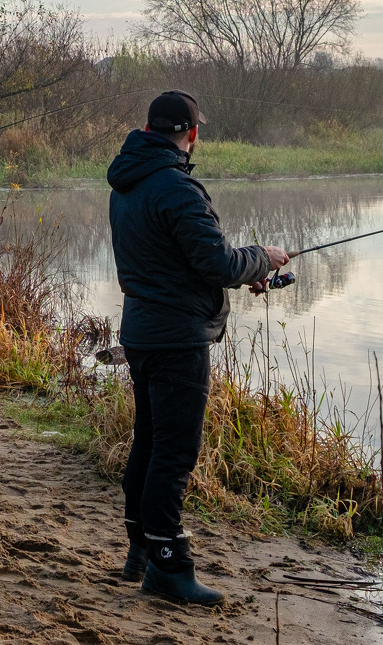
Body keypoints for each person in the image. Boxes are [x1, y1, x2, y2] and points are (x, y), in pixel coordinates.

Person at [107, 90, 290, 605]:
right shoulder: (177, 187)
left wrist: (244, 272)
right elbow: (219, 264)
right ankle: (168, 565)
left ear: (149, 129)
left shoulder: (127, 181)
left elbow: (174, 261)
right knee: (174, 452)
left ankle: (140, 550)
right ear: (191, 135)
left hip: (141, 331)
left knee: (149, 442)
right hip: (177, 339)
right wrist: (263, 257)